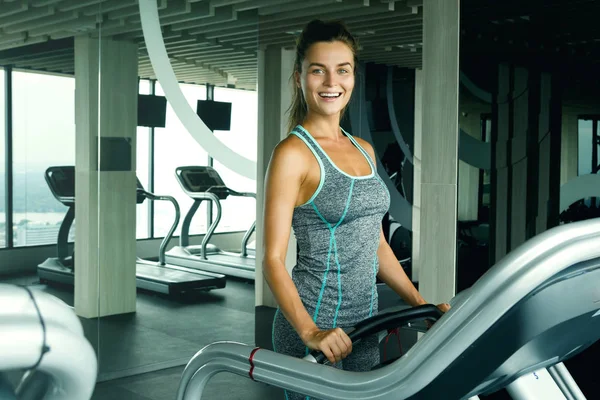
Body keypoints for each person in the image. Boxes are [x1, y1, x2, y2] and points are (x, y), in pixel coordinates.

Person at [262, 19, 450, 399]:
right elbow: (272, 259)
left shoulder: (363, 149)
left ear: (353, 76)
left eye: (342, 70)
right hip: (315, 323)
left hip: (365, 322)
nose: (332, 82)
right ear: (299, 77)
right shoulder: (292, 154)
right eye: (319, 70)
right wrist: (309, 331)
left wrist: (419, 304)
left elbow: (376, 244)